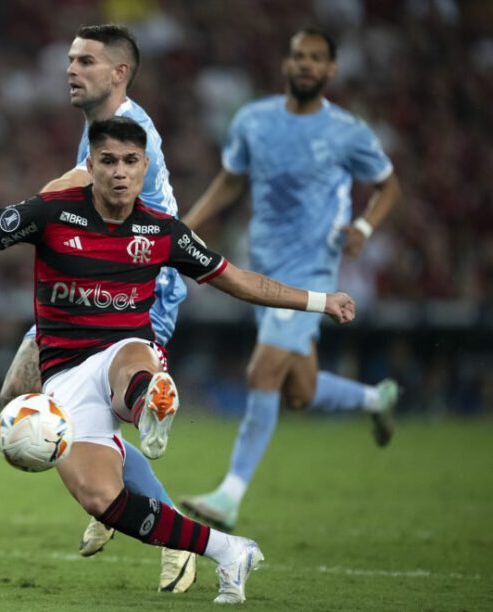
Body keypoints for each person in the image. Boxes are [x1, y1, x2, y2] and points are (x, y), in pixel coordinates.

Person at [0, 117, 359, 604]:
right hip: (64, 375)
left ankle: (149, 406)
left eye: (130, 161)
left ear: (145, 169)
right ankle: (229, 551)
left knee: (133, 362)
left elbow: (241, 281)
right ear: (90, 167)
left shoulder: (163, 231)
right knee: (102, 500)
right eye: (108, 160)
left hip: (125, 350)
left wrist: (318, 300)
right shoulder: (51, 212)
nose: (119, 171)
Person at [0, 23, 195, 591]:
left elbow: (70, 185)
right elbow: (72, 193)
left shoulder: (130, 129)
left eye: (85, 60)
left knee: (79, 405)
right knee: (19, 393)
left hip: (139, 287)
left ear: (118, 73)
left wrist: (13, 218)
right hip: (88, 284)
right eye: (70, 59)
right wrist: (21, 214)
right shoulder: (98, 127)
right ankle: (108, 495)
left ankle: (176, 540)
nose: (71, 69)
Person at [178, 28, 401, 532]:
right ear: (286, 64)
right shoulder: (253, 121)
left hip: (314, 268)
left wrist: (364, 226)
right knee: (297, 392)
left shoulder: (349, 131)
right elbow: (231, 181)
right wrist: (185, 226)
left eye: (316, 58)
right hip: (262, 269)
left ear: (331, 70)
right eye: (298, 56)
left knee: (262, 372)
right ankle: (374, 398)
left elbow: (389, 186)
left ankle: (230, 495)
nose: (305, 65)